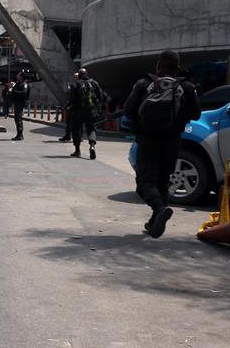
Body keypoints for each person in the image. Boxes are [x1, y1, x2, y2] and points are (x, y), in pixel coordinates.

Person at [123, 51, 201, 238]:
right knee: (162, 182)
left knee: (144, 184)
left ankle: (159, 210)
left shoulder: (144, 84)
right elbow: (196, 114)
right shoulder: (187, 87)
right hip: (172, 141)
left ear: (159, 66)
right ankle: (154, 221)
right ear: (178, 67)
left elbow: (128, 109)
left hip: (147, 140)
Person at [70, 68, 104, 159]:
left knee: (76, 129)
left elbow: (72, 99)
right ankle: (92, 145)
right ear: (87, 74)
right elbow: (101, 96)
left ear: (79, 75)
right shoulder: (94, 83)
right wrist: (98, 108)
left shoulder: (76, 84)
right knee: (91, 128)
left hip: (78, 111)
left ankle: (77, 150)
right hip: (91, 111)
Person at [59, 72, 79, 142]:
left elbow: (73, 98)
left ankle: (79, 137)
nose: (76, 78)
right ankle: (67, 136)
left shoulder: (81, 85)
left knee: (78, 123)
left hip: (79, 107)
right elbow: (70, 97)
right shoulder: (73, 85)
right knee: (68, 122)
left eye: (77, 77)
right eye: (75, 77)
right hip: (73, 106)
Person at [10, 72, 29, 141]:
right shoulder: (17, 83)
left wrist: (15, 91)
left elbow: (24, 93)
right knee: (16, 118)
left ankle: (20, 135)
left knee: (18, 118)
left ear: (21, 76)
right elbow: (12, 90)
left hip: (20, 103)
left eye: (19, 74)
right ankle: (19, 134)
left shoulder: (25, 84)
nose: (17, 75)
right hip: (16, 102)